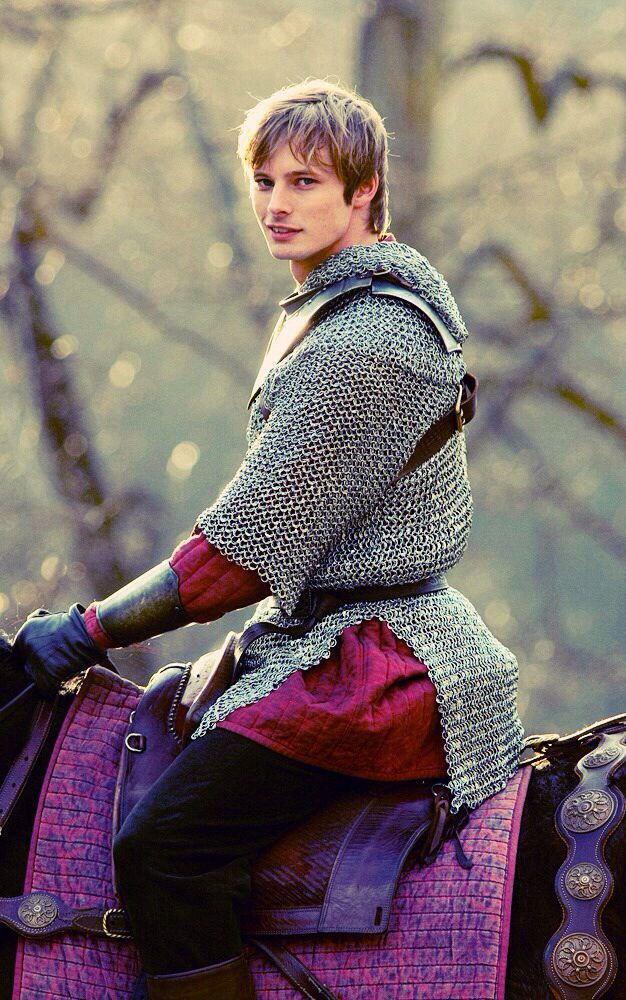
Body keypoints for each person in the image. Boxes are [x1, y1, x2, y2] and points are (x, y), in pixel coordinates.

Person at [13, 79, 524, 999]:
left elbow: (242, 553)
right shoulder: (340, 301)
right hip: (328, 638)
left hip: (376, 667)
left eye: (306, 182)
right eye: (264, 181)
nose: (278, 205)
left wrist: (87, 631)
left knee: (163, 848)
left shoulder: (367, 340)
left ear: (364, 191)